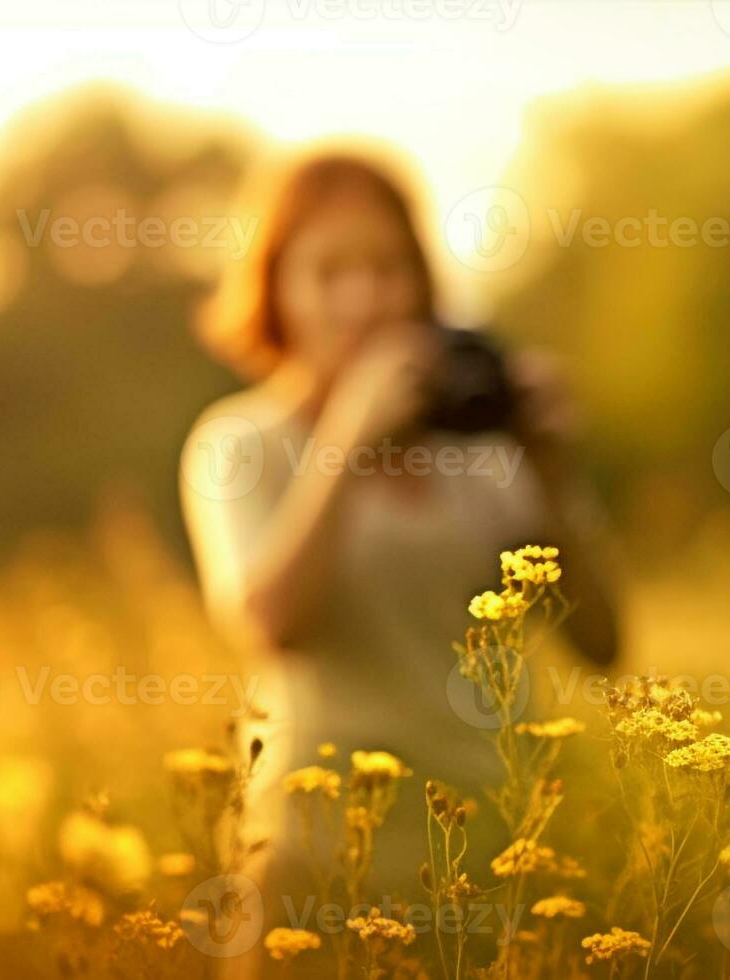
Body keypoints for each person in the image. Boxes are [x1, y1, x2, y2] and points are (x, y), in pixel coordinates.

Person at [178, 152, 622, 941]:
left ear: (424, 289)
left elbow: (602, 642)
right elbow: (270, 625)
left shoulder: (482, 459)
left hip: (487, 854)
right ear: (276, 292)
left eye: (388, 268)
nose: (363, 298)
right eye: (329, 271)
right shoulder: (240, 443)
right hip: (310, 868)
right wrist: (347, 439)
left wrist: (550, 469)